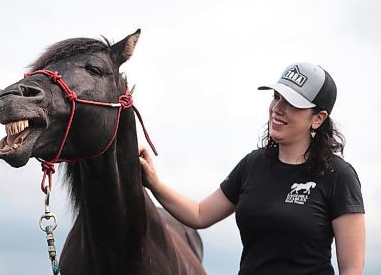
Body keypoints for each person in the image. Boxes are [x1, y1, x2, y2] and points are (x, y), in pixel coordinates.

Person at [139, 62, 365, 275]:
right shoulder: (252, 165)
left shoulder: (339, 176)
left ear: (318, 118)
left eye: (292, 103)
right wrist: (153, 183)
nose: (277, 108)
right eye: (276, 97)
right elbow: (200, 214)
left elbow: (352, 271)